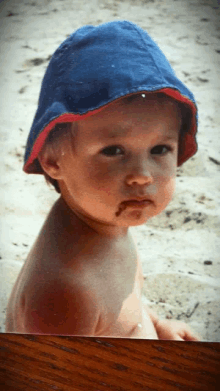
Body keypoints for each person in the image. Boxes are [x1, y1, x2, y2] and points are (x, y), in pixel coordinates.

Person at [5, 21, 199, 340]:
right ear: (53, 160)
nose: (142, 174)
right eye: (113, 150)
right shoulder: (65, 291)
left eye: (160, 149)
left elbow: (123, 303)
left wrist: (156, 324)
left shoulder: (106, 219)